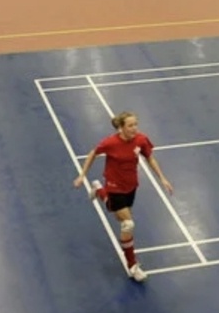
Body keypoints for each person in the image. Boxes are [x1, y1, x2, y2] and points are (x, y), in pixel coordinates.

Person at [74, 111, 174, 283]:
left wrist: (162, 178)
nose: (135, 128)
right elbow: (93, 153)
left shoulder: (141, 140)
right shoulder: (110, 143)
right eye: (130, 125)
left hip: (131, 185)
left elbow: (150, 158)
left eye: (136, 124)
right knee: (127, 224)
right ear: (121, 127)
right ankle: (133, 266)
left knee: (114, 211)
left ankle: (98, 189)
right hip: (114, 185)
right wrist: (83, 174)